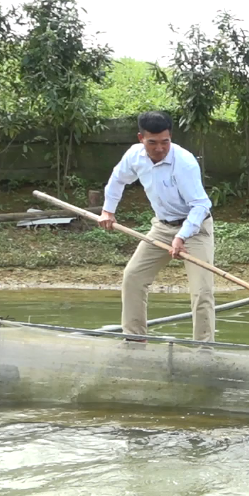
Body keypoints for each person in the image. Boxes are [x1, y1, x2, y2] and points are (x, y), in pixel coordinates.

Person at [101, 111, 215, 342]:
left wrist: (181, 237)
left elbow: (201, 205)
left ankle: (204, 349)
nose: (160, 148)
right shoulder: (134, 156)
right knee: (133, 277)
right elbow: (118, 179)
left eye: (165, 142)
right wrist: (108, 211)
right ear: (141, 138)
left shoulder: (184, 162)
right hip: (162, 227)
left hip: (195, 229)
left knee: (201, 291)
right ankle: (134, 339)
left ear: (170, 137)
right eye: (152, 142)